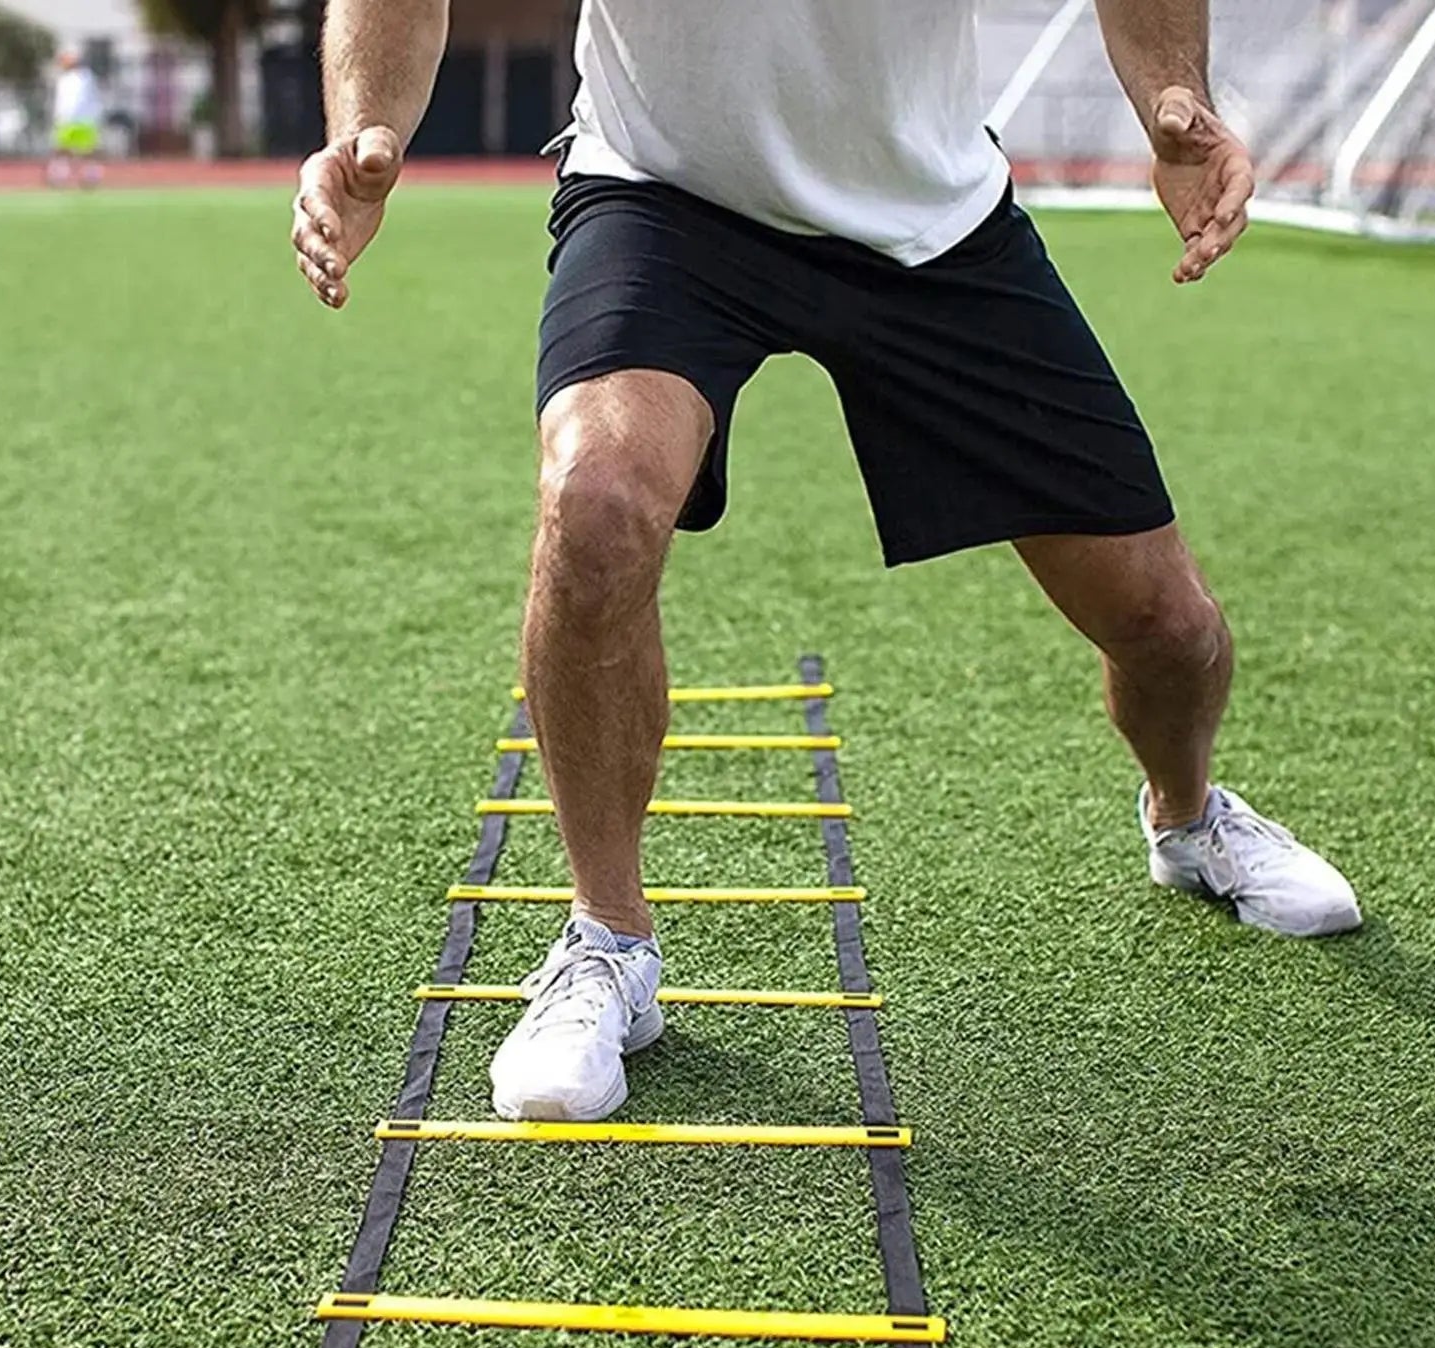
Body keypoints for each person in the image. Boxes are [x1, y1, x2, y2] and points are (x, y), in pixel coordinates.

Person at [291, 1, 1363, 1124]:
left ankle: (1186, 819)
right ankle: (606, 937)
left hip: (928, 221)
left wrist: (1170, 97)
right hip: (663, 195)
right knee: (595, 505)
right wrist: (366, 129)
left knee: (1165, 625)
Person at [46, 47, 104, 189]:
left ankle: (91, 177)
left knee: (88, 151)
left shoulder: (86, 76)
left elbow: (92, 98)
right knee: (61, 149)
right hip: (65, 121)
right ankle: (59, 176)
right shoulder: (63, 79)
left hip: (85, 121)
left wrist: (96, 116)